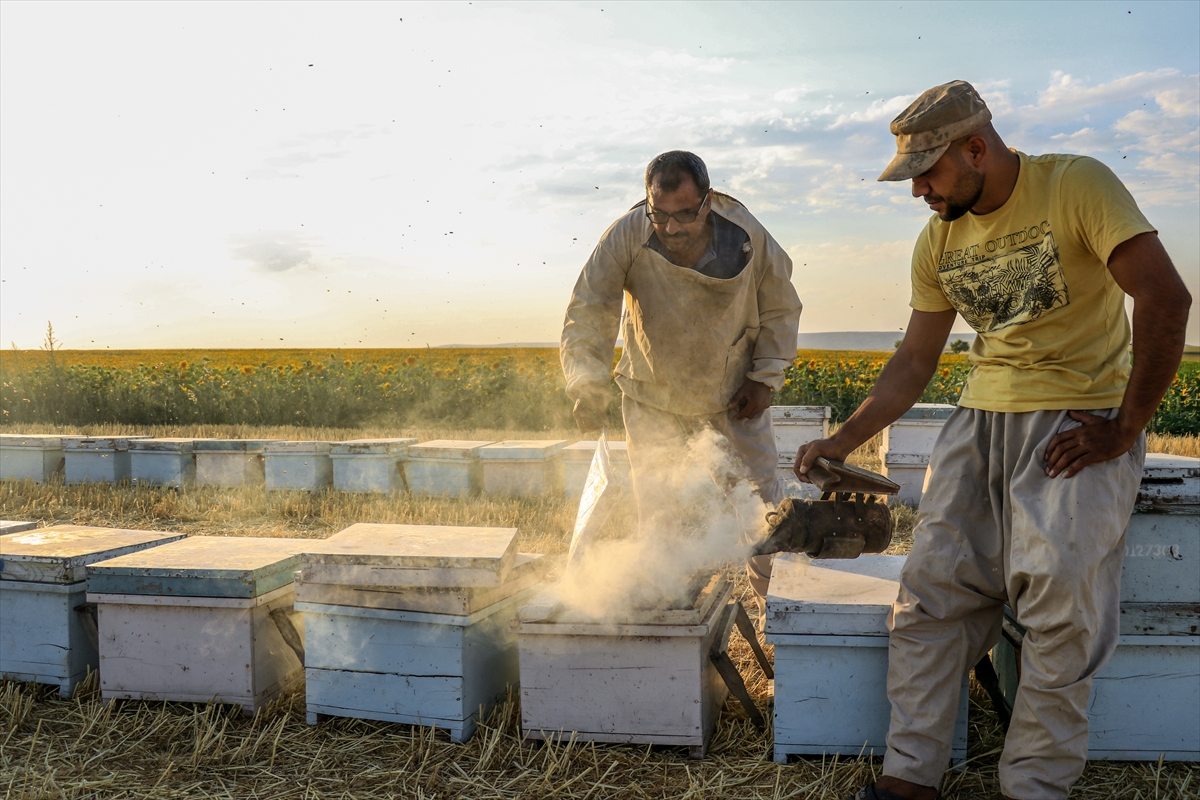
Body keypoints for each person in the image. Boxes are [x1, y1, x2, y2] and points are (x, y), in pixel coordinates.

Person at [794, 81, 1191, 800]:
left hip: (1075, 426)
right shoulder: (938, 237)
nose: (918, 190)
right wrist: (842, 440)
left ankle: (1033, 787)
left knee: (1062, 609)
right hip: (977, 426)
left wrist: (1126, 428)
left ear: (977, 147)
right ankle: (909, 782)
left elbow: (1165, 297)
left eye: (929, 171)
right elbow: (916, 360)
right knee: (931, 596)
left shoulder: (1077, 185)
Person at [560, 150, 802, 597]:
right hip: (652, 394)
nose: (671, 227)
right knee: (656, 509)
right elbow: (590, 308)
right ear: (647, 203)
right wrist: (587, 381)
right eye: (660, 215)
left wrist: (765, 378)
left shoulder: (748, 235)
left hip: (733, 395)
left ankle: (780, 609)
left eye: (685, 214)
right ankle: (662, 605)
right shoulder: (626, 235)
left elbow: (782, 307)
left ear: (707, 201)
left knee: (761, 507)